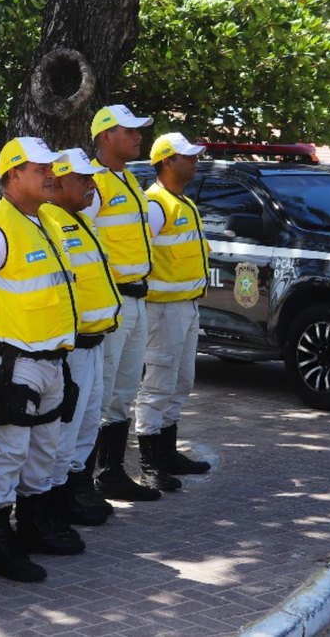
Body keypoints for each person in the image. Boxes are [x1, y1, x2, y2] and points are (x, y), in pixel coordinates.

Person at [0, 137, 81, 583]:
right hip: (14, 363)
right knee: (8, 453)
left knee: (43, 451)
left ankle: (33, 526)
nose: (51, 174)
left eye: (52, 167)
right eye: (40, 167)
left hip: (49, 361)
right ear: (12, 175)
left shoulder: (44, 220)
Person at [87, 104, 168, 501]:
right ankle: (83, 481)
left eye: (139, 131)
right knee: (100, 393)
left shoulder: (129, 181)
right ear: (106, 137)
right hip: (111, 303)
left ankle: (110, 471)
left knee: (123, 391)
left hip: (136, 298)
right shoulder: (94, 184)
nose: (139, 137)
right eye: (130, 131)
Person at [40, 149, 123, 526]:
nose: (92, 184)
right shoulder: (50, 224)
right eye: (83, 179)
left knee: (88, 423)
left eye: (92, 178)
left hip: (94, 342)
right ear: (56, 182)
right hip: (71, 348)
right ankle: (60, 501)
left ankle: (79, 487)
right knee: (66, 429)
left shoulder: (80, 220)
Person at [134, 133, 213, 479]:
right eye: (188, 157)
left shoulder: (183, 202)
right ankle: (151, 463)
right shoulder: (155, 205)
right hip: (162, 311)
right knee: (158, 385)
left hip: (187, 307)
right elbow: (137, 257)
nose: (195, 162)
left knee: (181, 383)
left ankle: (167, 455)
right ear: (167, 161)